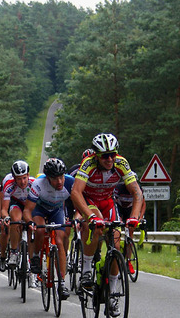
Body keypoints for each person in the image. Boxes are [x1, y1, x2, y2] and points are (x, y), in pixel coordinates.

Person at [70, 133, 143, 317]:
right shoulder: (88, 164)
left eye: (113, 154)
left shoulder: (121, 163)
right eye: (105, 156)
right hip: (90, 201)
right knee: (97, 225)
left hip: (108, 202)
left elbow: (137, 193)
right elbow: (76, 193)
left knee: (117, 244)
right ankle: (86, 268)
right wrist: (88, 216)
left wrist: (134, 218)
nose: (110, 159)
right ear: (96, 155)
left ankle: (112, 296)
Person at [23, 158, 74, 300]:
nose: (59, 182)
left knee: (59, 240)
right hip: (39, 210)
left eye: (61, 177)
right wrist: (29, 222)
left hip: (57, 210)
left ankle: (62, 283)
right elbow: (27, 210)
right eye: (55, 178)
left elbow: (78, 203)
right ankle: (35, 257)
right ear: (47, 178)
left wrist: (76, 219)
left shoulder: (70, 182)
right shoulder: (38, 184)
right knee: (39, 230)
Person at [0, 161, 35, 275]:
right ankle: (14, 252)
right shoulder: (8, 184)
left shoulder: (34, 183)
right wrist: (6, 218)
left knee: (32, 225)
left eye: (24, 178)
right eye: (19, 179)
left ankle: (31, 257)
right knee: (15, 220)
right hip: (16, 203)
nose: (22, 182)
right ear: (14, 178)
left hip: (30, 204)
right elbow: (4, 209)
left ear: (28, 175)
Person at [113, 176, 146, 274]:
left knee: (131, 229)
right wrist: (118, 218)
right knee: (116, 229)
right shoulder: (119, 188)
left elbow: (143, 203)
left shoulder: (138, 188)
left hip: (129, 209)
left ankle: (129, 260)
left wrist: (140, 217)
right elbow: (113, 202)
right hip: (118, 207)